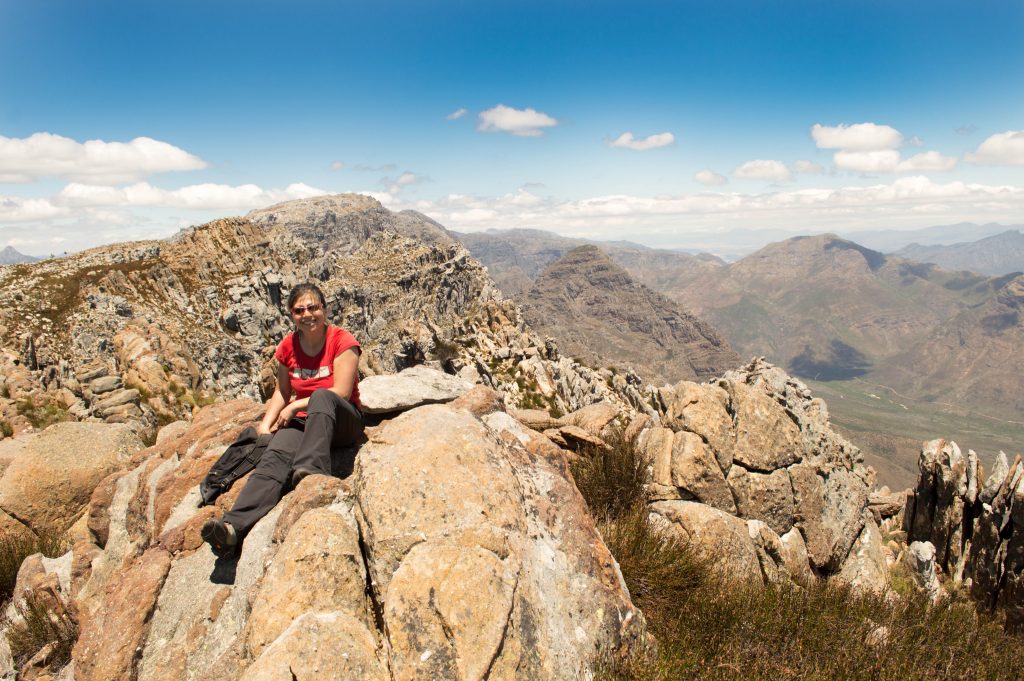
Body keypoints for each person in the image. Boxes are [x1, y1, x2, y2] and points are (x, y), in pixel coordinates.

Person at [201, 282, 364, 557]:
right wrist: (266, 424)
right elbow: (282, 391)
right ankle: (232, 529)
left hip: (342, 421)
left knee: (323, 397)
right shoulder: (288, 346)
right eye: (300, 310)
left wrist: (296, 406)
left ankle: (309, 472)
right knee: (273, 457)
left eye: (313, 307)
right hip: (304, 423)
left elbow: (342, 392)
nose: (307, 314)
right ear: (292, 315)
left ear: (324, 309)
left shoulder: (342, 341)